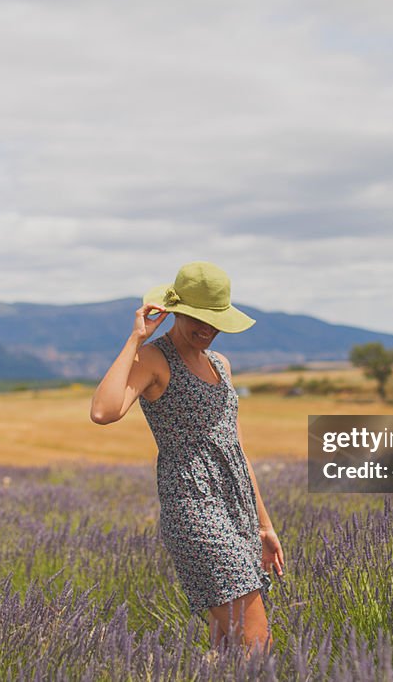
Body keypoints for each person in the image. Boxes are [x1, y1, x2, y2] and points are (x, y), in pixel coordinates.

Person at [89, 261, 285, 655]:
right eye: (198, 318)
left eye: (216, 322)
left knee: (228, 648)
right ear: (175, 311)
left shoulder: (221, 364)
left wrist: (264, 524)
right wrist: (135, 339)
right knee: (255, 647)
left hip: (237, 507)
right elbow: (103, 412)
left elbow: (236, 448)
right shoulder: (153, 359)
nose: (207, 330)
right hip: (194, 505)